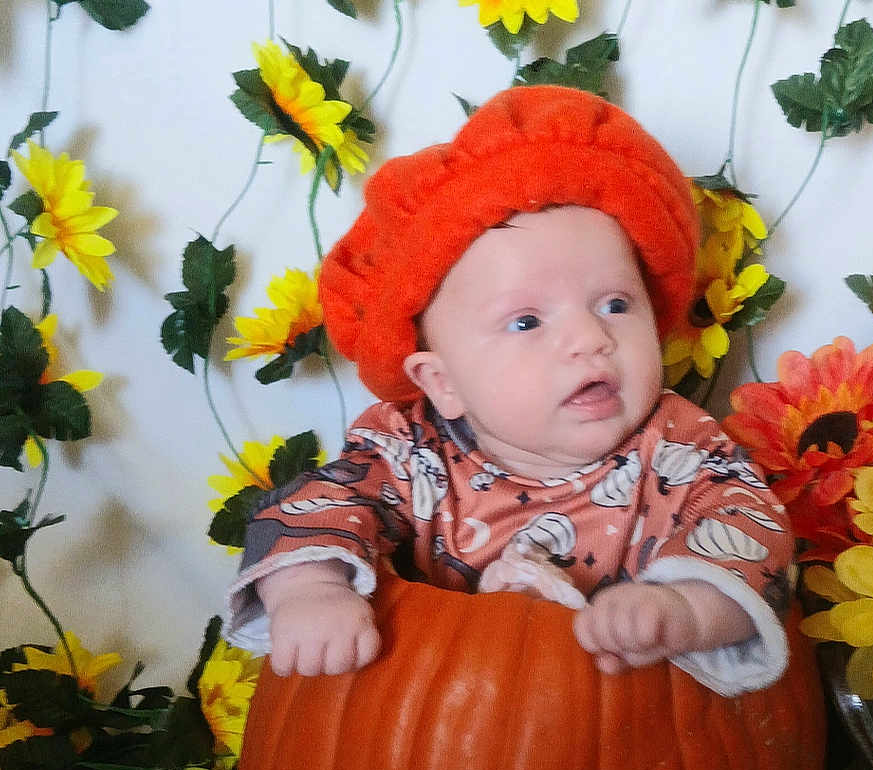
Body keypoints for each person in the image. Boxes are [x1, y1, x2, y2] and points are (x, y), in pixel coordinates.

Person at [223, 86, 794, 695]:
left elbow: (749, 527)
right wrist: (311, 590)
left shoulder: (678, 447)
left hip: (624, 734)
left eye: (616, 303)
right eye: (527, 322)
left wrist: (688, 609)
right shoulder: (409, 453)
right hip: (436, 716)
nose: (590, 337)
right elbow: (314, 506)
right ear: (442, 384)